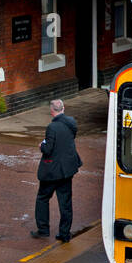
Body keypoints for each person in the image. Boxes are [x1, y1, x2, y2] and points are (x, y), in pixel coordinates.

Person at [35, 98, 82, 242]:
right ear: (63, 108)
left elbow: (48, 149)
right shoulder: (71, 123)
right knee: (65, 202)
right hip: (67, 169)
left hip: (52, 170)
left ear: (51, 110)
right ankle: (64, 233)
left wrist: (41, 146)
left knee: (42, 198)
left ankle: (43, 229)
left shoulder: (52, 127)